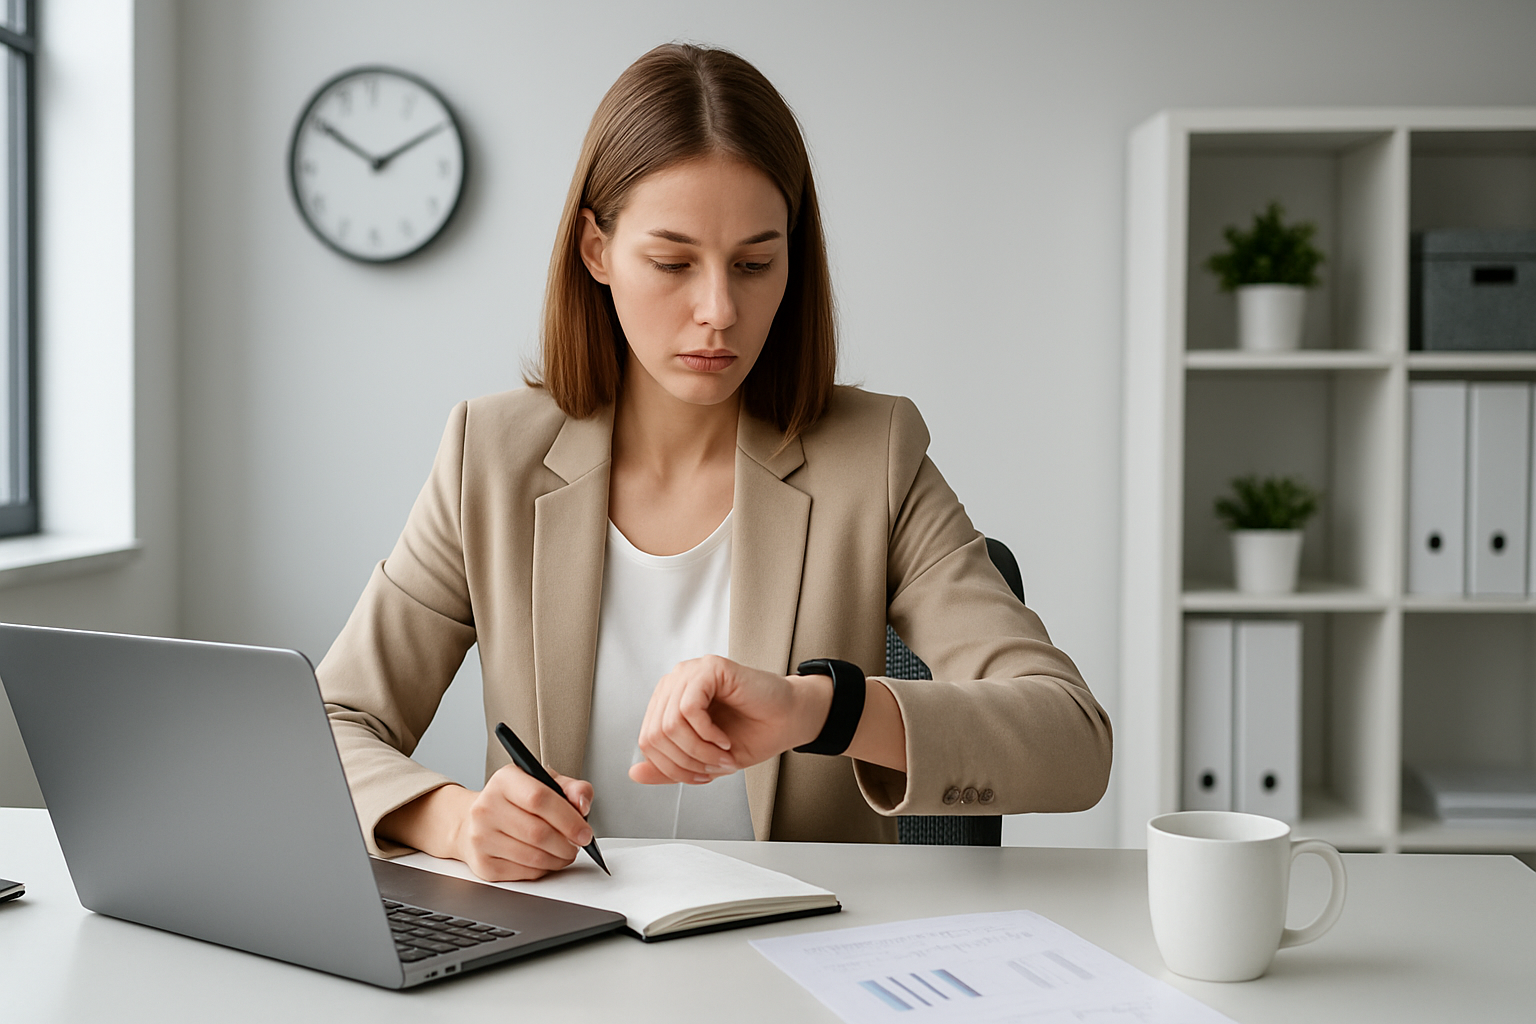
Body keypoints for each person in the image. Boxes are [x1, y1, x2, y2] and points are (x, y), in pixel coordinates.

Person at [317, 42, 1112, 883]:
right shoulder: (491, 456)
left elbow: (1071, 738)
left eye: (755, 264)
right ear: (596, 250)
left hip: (803, 963)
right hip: (559, 960)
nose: (719, 312)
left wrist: (819, 709)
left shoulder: (872, 457)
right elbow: (329, 721)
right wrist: (453, 821)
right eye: (671, 263)